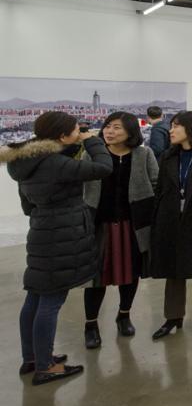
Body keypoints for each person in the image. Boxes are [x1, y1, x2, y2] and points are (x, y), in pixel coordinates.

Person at [2, 112, 111, 385]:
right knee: (51, 301)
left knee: (35, 297)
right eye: (76, 130)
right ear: (62, 136)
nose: (79, 132)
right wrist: (92, 142)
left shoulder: (24, 161)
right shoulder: (56, 164)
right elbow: (103, 168)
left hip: (41, 231)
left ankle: (32, 358)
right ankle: (46, 366)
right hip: (64, 235)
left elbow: (28, 206)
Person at [82, 111, 158, 348]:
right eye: (107, 126)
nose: (109, 131)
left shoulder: (143, 154)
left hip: (132, 224)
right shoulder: (93, 154)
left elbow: (155, 183)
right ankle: (91, 324)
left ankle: (124, 315)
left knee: (130, 273)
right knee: (97, 278)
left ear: (130, 132)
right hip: (100, 224)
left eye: (116, 128)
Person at [149, 111, 192, 340]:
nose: (171, 130)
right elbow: (161, 188)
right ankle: (173, 317)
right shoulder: (168, 156)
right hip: (171, 219)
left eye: (176, 126)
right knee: (173, 270)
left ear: (191, 128)